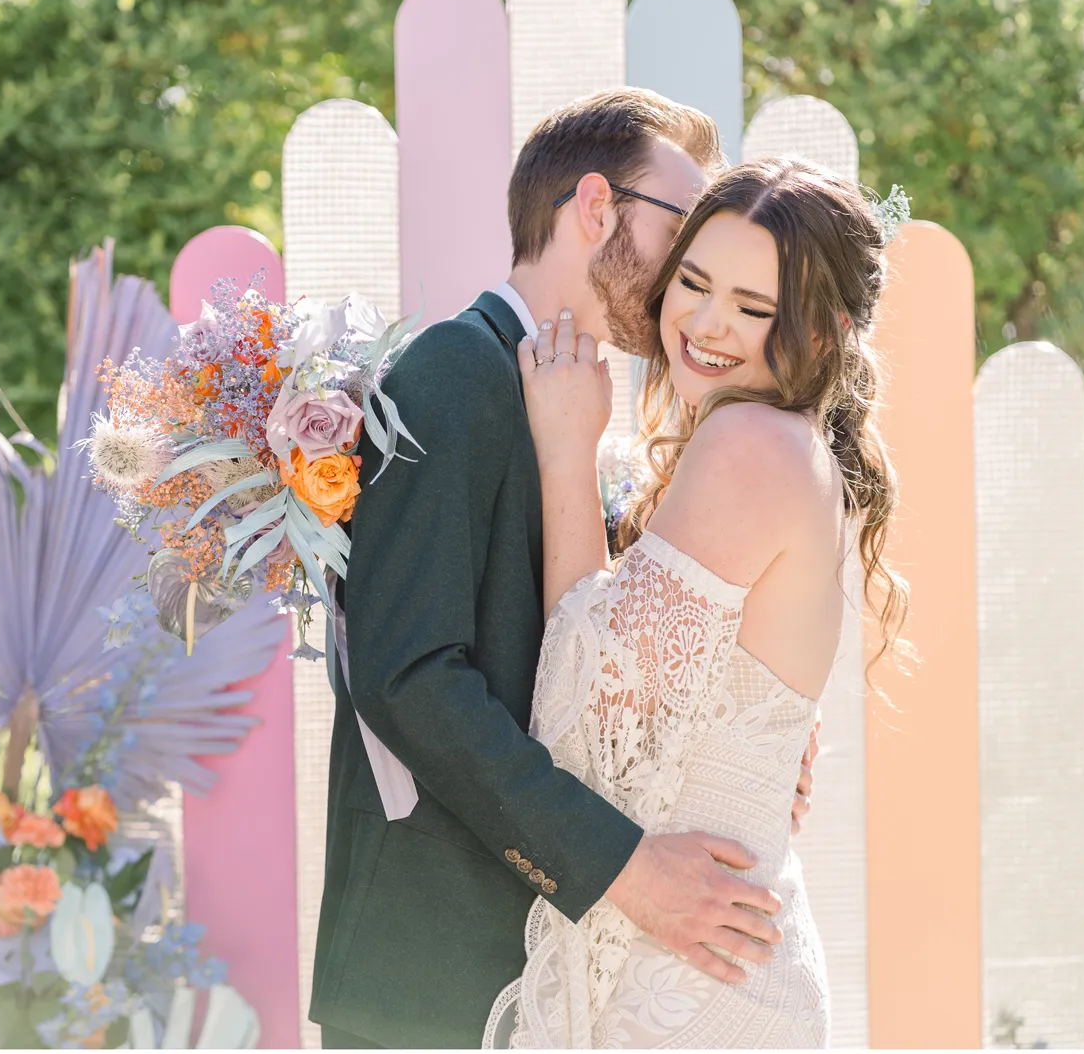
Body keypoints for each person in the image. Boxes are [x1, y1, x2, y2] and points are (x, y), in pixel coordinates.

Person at [309, 90, 821, 1049]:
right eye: (683, 227)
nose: (692, 270)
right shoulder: (455, 370)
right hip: (434, 979)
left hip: (546, 975)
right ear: (596, 207)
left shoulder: (571, 410)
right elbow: (408, 677)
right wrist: (622, 868)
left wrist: (739, 726)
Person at [487, 156, 910, 1047]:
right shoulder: (787, 447)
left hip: (691, 982)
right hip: (716, 958)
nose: (708, 324)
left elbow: (584, 712)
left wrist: (565, 453)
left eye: (754, 309)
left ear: (824, 335)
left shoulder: (750, 444)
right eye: (695, 283)